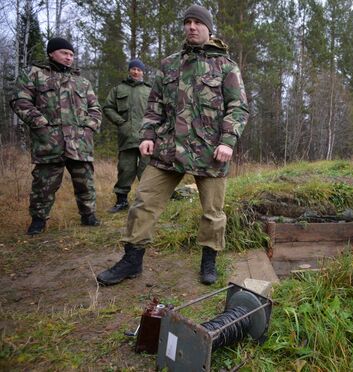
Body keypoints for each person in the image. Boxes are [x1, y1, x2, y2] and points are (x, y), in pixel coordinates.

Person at [96, 4, 249, 286]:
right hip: (167, 150)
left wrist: (228, 141)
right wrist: (147, 135)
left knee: (212, 212)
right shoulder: (169, 64)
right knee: (144, 202)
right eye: (187, 22)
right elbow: (154, 106)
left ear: (208, 28)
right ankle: (132, 260)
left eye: (197, 23)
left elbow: (238, 109)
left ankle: (209, 259)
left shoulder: (226, 66)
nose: (191, 27)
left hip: (210, 152)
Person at [11, 37, 102, 235]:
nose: (69, 58)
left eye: (71, 55)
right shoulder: (34, 75)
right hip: (49, 143)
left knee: (85, 181)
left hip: (79, 142)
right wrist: (42, 125)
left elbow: (95, 109)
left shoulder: (82, 81)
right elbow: (20, 102)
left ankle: (88, 215)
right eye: (64, 53)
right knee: (44, 183)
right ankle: (38, 220)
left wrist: (89, 128)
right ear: (52, 53)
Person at [103, 59, 151, 213]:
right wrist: (121, 123)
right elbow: (108, 107)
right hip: (127, 136)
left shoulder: (149, 90)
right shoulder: (118, 89)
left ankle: (147, 202)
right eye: (133, 69)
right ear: (129, 70)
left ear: (143, 72)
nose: (136, 72)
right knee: (126, 169)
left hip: (147, 137)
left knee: (147, 170)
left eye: (139, 69)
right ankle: (122, 202)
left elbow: (158, 110)